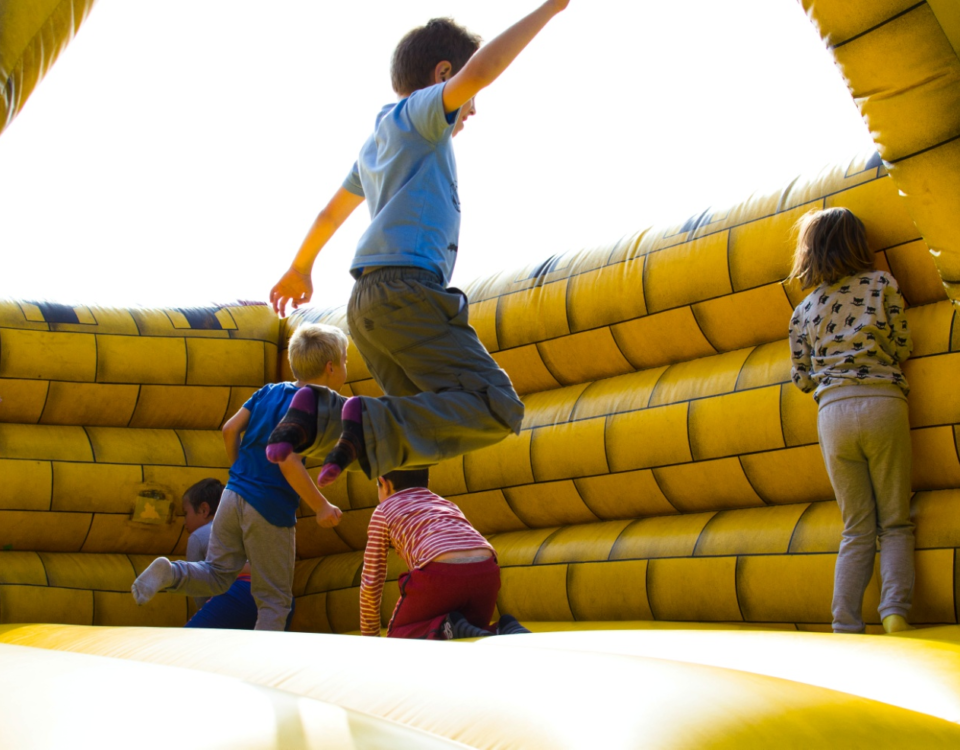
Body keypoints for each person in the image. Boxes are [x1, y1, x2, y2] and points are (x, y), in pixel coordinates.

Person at [265, 1, 572, 486]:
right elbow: (484, 69)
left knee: (413, 431)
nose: (473, 108)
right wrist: (550, 10)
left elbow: (330, 212)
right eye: (467, 95)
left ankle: (324, 416)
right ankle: (362, 421)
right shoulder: (422, 116)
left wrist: (300, 268)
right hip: (407, 292)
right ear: (445, 73)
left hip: (366, 305)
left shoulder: (378, 141)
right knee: (495, 406)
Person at [131, 324, 347, 630]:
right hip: (269, 505)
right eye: (346, 360)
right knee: (274, 600)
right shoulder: (314, 407)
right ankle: (261, 667)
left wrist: (239, 473)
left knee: (217, 574)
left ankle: (171, 573)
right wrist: (321, 505)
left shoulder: (269, 392)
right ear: (331, 367)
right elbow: (287, 459)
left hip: (233, 496)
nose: (346, 367)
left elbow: (229, 429)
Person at [788, 207, 915, 635]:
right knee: (894, 519)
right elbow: (902, 344)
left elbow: (802, 377)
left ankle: (845, 623)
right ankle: (895, 611)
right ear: (859, 244)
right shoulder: (882, 285)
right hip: (883, 402)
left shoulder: (804, 310)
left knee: (856, 526)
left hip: (834, 414)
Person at [360, 468, 530, 639]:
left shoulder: (383, 510)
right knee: (470, 631)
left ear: (384, 483)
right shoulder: (445, 504)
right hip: (486, 572)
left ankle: (445, 627)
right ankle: (504, 628)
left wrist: (370, 639)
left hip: (439, 573)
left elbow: (372, 579)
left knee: (399, 638)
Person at [181, 477, 225, 610]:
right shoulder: (241, 529)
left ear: (204, 510)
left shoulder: (198, 537)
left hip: (228, 603)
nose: (184, 522)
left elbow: (197, 587)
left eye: (185, 513)